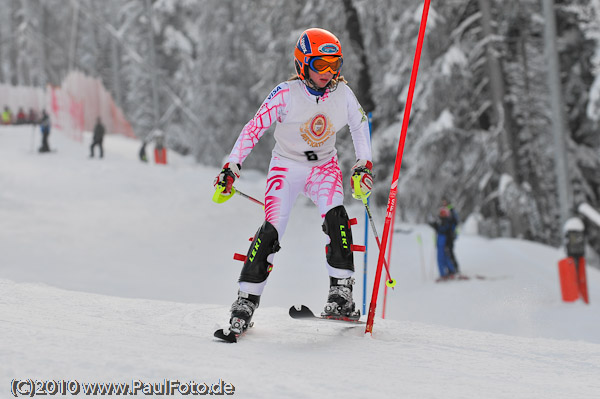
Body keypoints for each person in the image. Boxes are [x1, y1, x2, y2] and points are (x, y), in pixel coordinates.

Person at [213, 28, 373, 336]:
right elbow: (253, 128)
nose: (328, 73)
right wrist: (232, 166)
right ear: (303, 64)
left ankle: (341, 292)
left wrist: (363, 163)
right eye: (320, 65)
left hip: (324, 166)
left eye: (334, 65)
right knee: (274, 226)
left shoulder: (343, 94)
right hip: (286, 166)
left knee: (336, 214)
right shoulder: (287, 93)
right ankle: (246, 299)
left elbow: (360, 123)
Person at [429, 207, 458, 281]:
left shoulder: (447, 221)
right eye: (441, 213)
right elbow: (439, 228)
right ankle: (447, 272)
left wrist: (436, 226)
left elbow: (443, 230)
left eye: (443, 213)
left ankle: (448, 272)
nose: (441, 215)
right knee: (442, 258)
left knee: (443, 258)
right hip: (440, 241)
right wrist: (434, 225)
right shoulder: (441, 220)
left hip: (444, 241)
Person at [441, 198, 460, 273]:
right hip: (447, 234)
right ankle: (451, 268)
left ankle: (455, 268)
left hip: (450, 234)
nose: (444, 204)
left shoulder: (451, 210)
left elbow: (454, 222)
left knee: (450, 251)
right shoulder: (445, 210)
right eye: (443, 202)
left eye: (445, 202)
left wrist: (453, 232)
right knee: (447, 251)